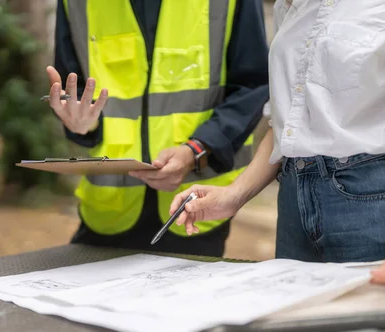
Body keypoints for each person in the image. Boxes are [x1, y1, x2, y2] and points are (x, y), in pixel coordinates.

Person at [169, 0, 385, 290]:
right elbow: (285, 120)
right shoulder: (292, 5)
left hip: (372, 200)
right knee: (293, 324)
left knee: (366, 325)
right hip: (293, 198)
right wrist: (235, 195)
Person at [46, 0, 269, 259]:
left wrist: (196, 150)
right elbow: (74, 92)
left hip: (193, 206)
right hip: (107, 204)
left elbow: (252, 85)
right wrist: (81, 123)